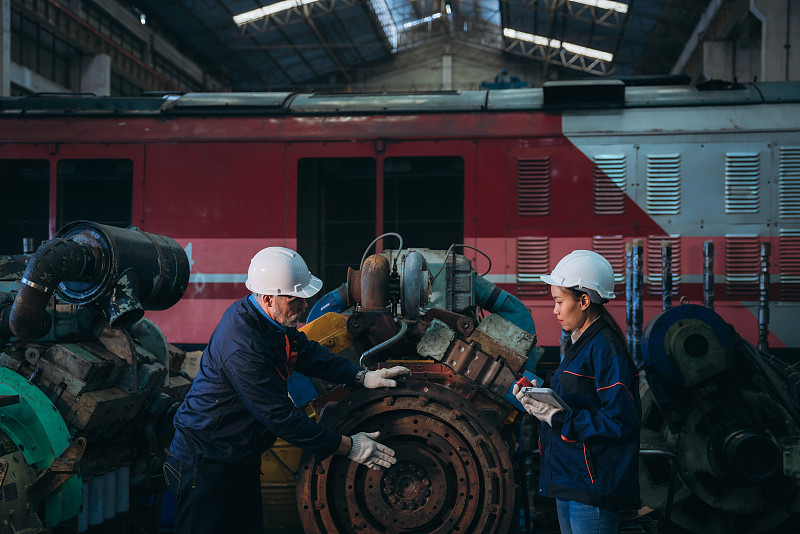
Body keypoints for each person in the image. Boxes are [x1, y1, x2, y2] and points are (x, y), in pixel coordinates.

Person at [164, 246, 410, 534]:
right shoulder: (244, 347)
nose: (305, 306)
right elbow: (281, 418)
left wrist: (361, 376)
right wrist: (349, 446)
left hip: (238, 457)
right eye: (296, 299)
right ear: (269, 298)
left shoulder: (268, 321)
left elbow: (307, 353)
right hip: (205, 462)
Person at [514, 250, 641, 534]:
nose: (555, 310)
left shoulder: (605, 348)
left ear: (584, 301)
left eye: (559, 302)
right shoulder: (581, 343)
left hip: (592, 484)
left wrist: (557, 418)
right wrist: (540, 396)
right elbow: (575, 399)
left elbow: (620, 421)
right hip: (572, 478)